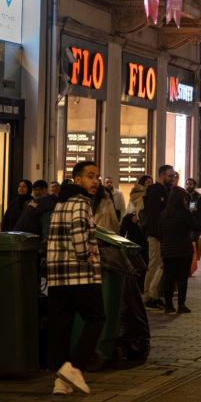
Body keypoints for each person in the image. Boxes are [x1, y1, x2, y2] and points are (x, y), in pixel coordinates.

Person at [47, 161, 105, 395]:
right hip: (79, 273)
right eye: (90, 176)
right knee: (97, 318)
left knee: (62, 325)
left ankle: (61, 381)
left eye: (97, 177)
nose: (95, 181)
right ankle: (75, 367)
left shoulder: (61, 202)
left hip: (57, 274)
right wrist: (85, 255)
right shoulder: (81, 202)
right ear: (77, 180)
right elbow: (78, 230)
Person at [159, 186, 200, 313]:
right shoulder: (185, 213)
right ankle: (181, 305)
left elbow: (160, 232)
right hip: (183, 250)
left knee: (169, 278)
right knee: (182, 278)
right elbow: (195, 226)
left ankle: (168, 305)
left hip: (167, 250)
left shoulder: (164, 214)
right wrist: (194, 213)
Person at [143, 165, 175, 308]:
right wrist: (159, 237)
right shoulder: (156, 192)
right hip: (156, 235)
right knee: (157, 264)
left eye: (173, 176)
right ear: (162, 176)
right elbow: (154, 216)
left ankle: (151, 295)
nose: (172, 178)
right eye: (170, 176)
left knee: (157, 264)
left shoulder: (165, 191)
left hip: (161, 234)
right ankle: (150, 295)